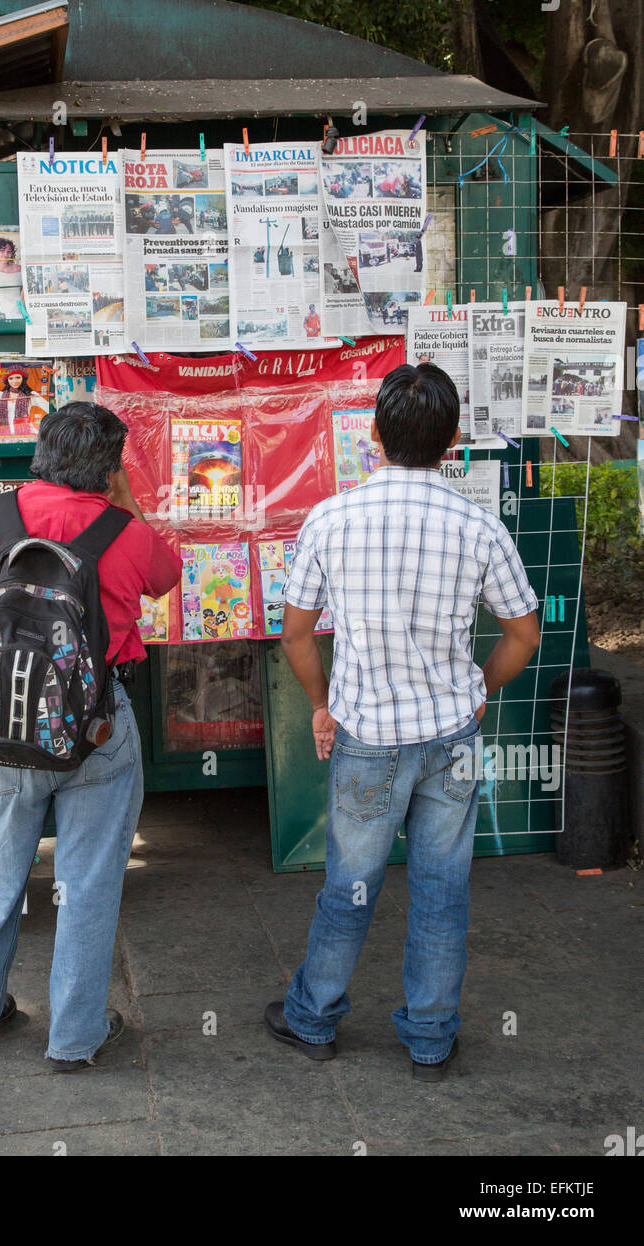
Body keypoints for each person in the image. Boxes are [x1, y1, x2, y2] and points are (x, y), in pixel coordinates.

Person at [265, 363, 540, 1079]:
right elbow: (525, 634)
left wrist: (322, 707)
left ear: (375, 435)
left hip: (366, 738)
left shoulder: (332, 517)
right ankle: (429, 1037)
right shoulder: (479, 525)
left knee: (349, 887)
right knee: (443, 891)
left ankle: (314, 1018)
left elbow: (297, 634)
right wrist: (478, 685)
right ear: (451, 440)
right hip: (451, 739)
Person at [0, 402, 182, 1070]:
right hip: (97, 729)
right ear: (111, 470)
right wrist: (126, 502)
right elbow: (167, 580)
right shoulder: (124, 532)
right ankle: (76, 1036)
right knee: (87, 883)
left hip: (3, 727)